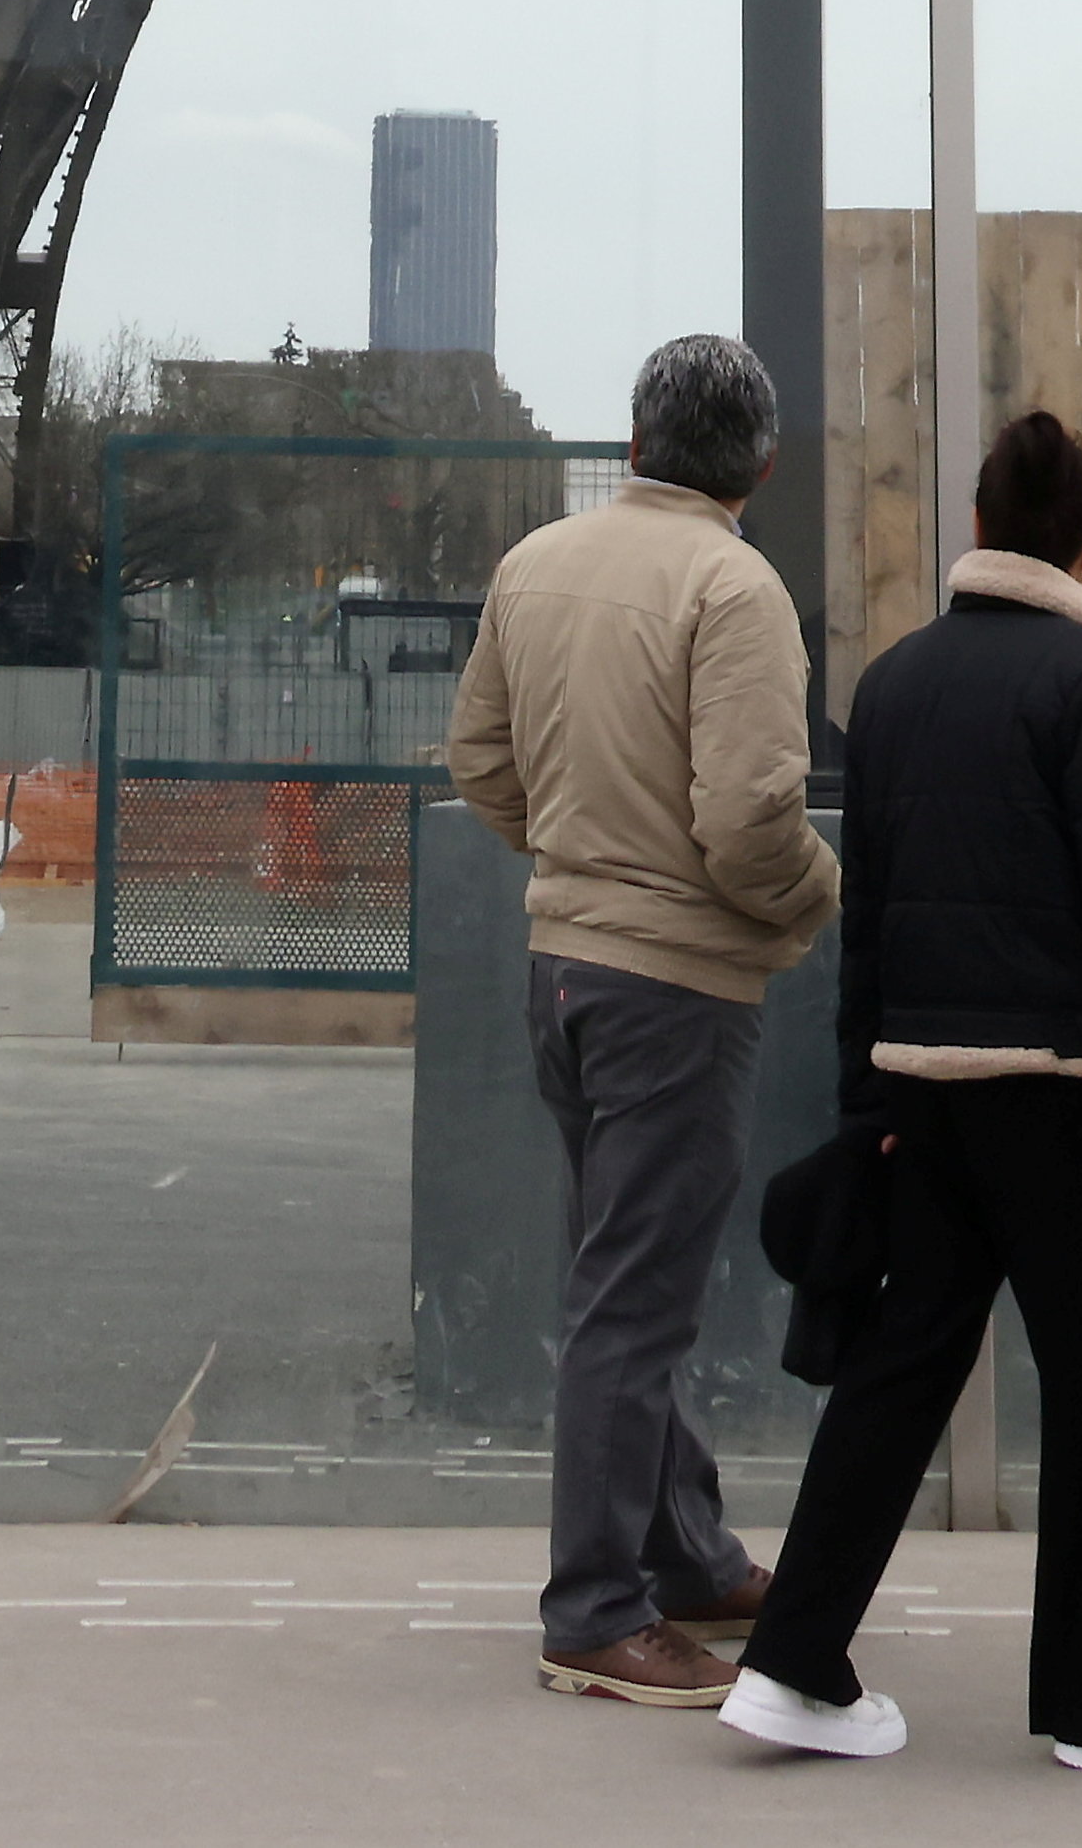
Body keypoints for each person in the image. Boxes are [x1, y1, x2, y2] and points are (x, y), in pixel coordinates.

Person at [723, 409, 1082, 1776]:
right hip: (1069, 1097)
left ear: (978, 530)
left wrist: (870, 1102)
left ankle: (792, 1662)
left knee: (901, 1372)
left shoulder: (899, 687)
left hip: (929, 1090)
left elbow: (874, 918)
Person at [445, 332, 843, 1707]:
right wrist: (813, 898)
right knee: (636, 1299)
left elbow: (481, 764)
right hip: (677, 982)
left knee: (625, 1272)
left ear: (631, 444)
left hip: (561, 966)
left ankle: (684, 1557)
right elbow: (747, 821)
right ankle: (596, 1610)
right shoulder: (736, 589)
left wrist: (569, 859)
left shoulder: (535, 565)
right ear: (763, 466)